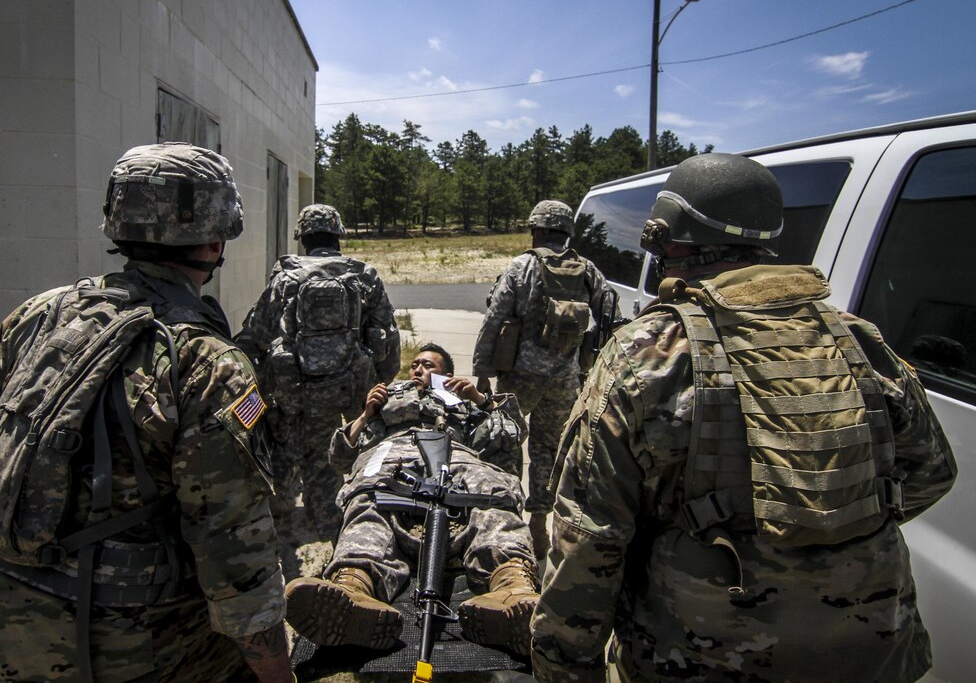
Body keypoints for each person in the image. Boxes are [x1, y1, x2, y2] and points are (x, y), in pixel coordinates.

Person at [531, 153, 958, 683]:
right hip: (871, 652)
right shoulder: (858, 338)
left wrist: (564, 668)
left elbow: (587, 542)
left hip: (700, 657)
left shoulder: (646, 353)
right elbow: (931, 474)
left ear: (670, 240)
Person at [0, 143, 291, 682]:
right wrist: (278, 671)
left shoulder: (38, 315)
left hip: (10, 634)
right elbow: (235, 552)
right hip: (148, 651)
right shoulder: (207, 362)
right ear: (215, 240)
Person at [285, 344, 540, 656]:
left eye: (429, 365)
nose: (419, 369)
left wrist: (481, 401)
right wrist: (366, 414)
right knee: (367, 495)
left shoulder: (461, 398)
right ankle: (354, 588)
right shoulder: (387, 397)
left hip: (455, 455)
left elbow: (510, 438)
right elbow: (340, 457)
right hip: (391, 454)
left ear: (446, 373)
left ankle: (513, 589)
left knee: (491, 491)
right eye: (415, 364)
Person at [236, 204, 400, 559]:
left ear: (302, 238)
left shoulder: (287, 276)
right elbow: (387, 336)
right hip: (344, 402)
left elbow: (256, 335)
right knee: (328, 479)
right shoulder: (364, 275)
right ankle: (340, 559)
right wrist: (381, 387)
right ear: (339, 236)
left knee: (279, 475)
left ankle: (274, 558)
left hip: (292, 400)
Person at [472, 199, 617, 558]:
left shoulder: (522, 266)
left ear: (536, 229)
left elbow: (495, 317)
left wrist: (482, 372)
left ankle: (505, 517)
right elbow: (610, 312)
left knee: (505, 443)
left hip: (520, 378)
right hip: (566, 378)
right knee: (548, 451)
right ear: (567, 231)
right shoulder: (586, 270)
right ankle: (540, 519)